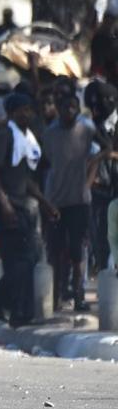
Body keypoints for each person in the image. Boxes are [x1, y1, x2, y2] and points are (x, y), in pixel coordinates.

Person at [0, 93, 56, 327]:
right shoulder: (5, 137)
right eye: (22, 110)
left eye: (29, 110)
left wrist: (45, 202)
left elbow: (25, 179)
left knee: (27, 259)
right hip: (6, 208)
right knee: (21, 260)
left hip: (22, 205)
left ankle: (19, 313)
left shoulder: (27, 139)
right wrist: (5, 205)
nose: (27, 114)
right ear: (12, 113)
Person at [41, 90, 110, 311]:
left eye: (73, 107)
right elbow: (45, 163)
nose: (69, 111)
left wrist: (88, 179)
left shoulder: (86, 129)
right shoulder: (50, 133)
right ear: (59, 109)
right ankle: (55, 296)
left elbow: (106, 148)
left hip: (80, 200)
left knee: (78, 251)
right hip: (55, 200)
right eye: (65, 107)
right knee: (55, 251)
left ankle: (79, 295)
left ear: (78, 109)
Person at [85, 81, 118, 273]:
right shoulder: (92, 127)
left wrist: (109, 155)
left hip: (113, 187)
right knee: (101, 234)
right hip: (98, 189)